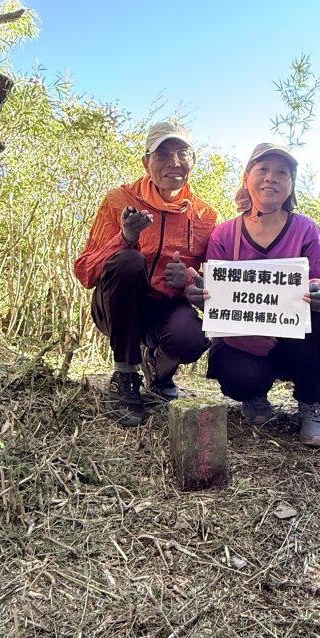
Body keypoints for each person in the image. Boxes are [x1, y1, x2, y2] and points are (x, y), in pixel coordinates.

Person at [188, 143, 320, 447]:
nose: (272, 178)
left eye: (282, 173)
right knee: (238, 377)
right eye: (263, 170)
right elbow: (213, 293)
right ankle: (253, 395)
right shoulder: (224, 234)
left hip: (293, 340)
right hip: (241, 341)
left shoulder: (308, 230)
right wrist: (199, 294)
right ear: (247, 178)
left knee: (317, 322)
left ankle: (310, 402)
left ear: (291, 183)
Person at [74, 120, 217, 425]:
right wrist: (125, 237)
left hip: (165, 310)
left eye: (183, 154)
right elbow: (86, 271)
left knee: (193, 336)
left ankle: (158, 371)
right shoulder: (119, 201)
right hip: (117, 307)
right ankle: (125, 374)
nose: (174, 163)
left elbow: (213, 286)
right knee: (129, 261)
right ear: (146, 162)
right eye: (162, 154)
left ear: (193, 161)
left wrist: (188, 281)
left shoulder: (206, 216)